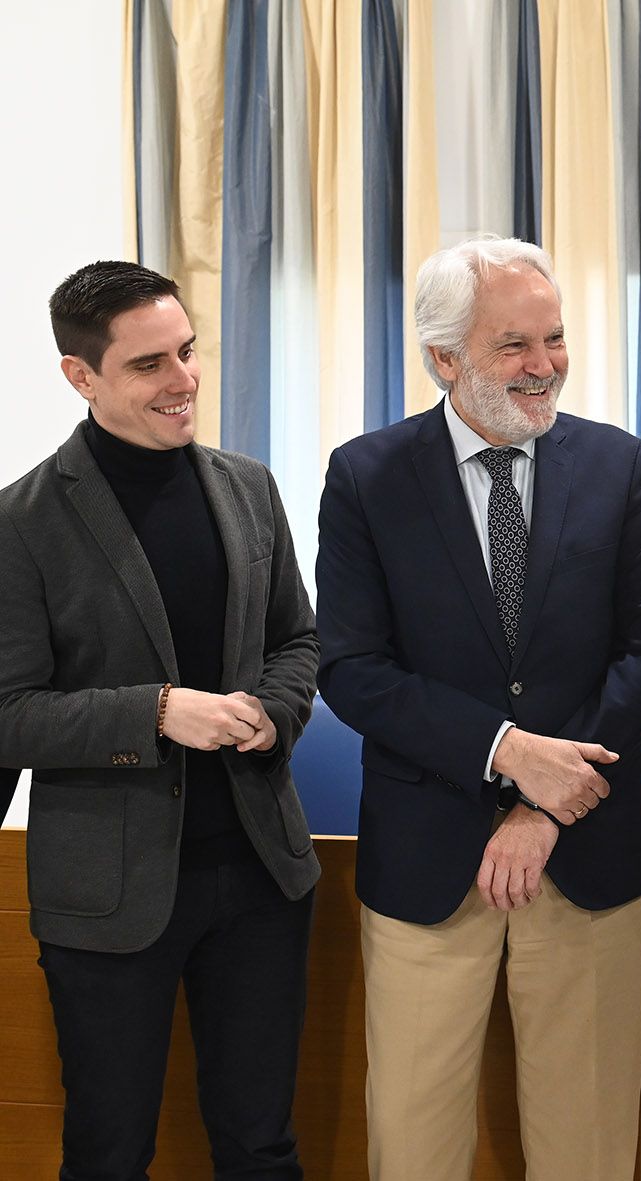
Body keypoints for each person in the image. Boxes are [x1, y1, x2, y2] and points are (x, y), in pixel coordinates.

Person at [315, 235, 641, 1180]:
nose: (545, 365)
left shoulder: (618, 465)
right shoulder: (365, 477)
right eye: (514, 345)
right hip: (429, 865)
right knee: (414, 1140)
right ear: (443, 358)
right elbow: (351, 668)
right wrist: (507, 752)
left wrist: (547, 800)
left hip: (586, 857)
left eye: (554, 338)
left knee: (586, 1147)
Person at [0, 261, 320, 1176]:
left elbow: (298, 640)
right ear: (81, 376)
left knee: (262, 1143)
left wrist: (274, 712)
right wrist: (159, 712)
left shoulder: (249, 486)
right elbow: (9, 714)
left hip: (262, 876)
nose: (183, 380)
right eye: (149, 365)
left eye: (187, 352)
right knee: (109, 1152)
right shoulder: (19, 523)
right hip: (106, 895)